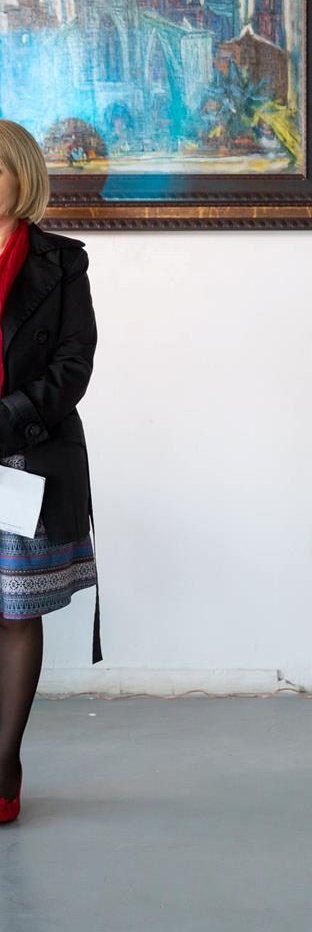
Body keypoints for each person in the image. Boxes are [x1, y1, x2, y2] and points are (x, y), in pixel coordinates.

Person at [0, 119, 100, 826]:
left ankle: (3, 766)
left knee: (14, 610)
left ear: (22, 175)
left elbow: (73, 367)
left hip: (24, 456)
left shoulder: (62, 262)